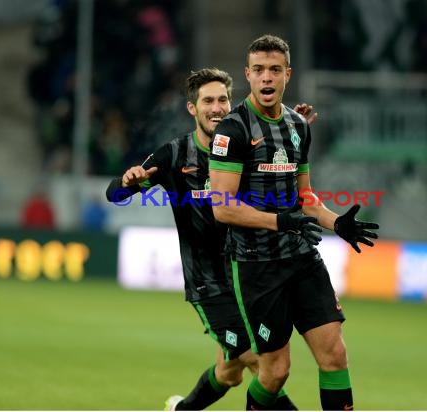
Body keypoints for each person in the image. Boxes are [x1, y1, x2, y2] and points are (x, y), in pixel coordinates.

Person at [106, 68, 317, 410]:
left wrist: (290, 131)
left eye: (222, 99)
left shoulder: (248, 147)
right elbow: (115, 195)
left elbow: (281, 170)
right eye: (208, 101)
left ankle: (182, 409)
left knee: (230, 372)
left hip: (248, 272)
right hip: (209, 282)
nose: (217, 107)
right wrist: (128, 181)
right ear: (193, 108)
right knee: (261, 362)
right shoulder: (174, 156)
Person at [209, 35, 379, 410]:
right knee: (275, 372)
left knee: (334, 354)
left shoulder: (298, 126)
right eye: (258, 71)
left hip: (302, 257)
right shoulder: (232, 130)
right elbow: (222, 208)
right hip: (257, 266)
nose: (266, 78)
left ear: (287, 74)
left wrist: (338, 223)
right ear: (247, 76)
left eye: (274, 70)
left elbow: (305, 196)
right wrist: (281, 221)